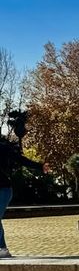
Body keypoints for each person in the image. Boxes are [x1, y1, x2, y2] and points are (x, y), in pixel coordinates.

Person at [0, 110, 42, 258]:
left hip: (3, 189)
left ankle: (2, 249)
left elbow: (21, 160)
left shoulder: (2, 148)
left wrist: (40, 166)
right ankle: (2, 249)